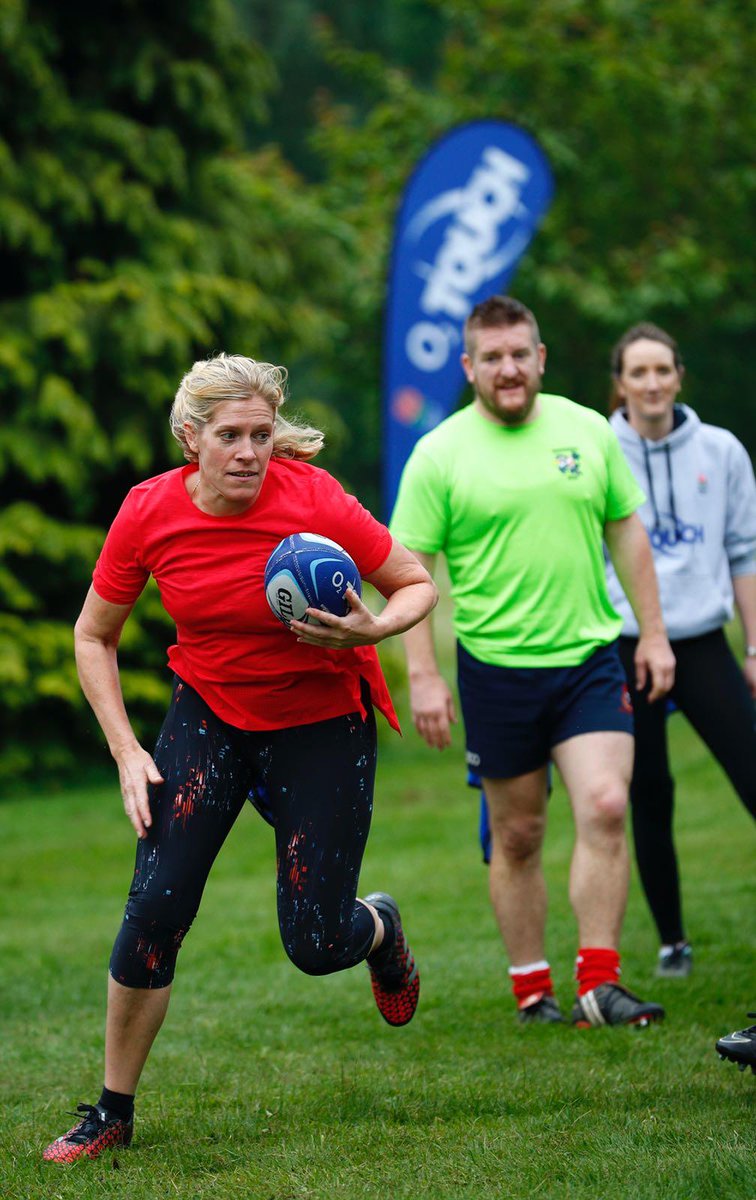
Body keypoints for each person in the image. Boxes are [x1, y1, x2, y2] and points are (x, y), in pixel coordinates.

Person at [43, 354, 437, 1164]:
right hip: (210, 717)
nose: (250, 452)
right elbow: (93, 635)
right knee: (154, 909)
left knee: (315, 943)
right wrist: (125, 750)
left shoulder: (313, 498)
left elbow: (413, 582)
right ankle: (113, 1111)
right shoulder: (148, 511)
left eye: (262, 434)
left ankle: (380, 928)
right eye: (230, 436)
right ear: (192, 437)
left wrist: (374, 630)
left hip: (321, 721)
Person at [390, 295, 675, 1028]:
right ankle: (532, 988)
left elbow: (628, 535)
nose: (508, 369)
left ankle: (599, 983)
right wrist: (424, 673)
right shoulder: (439, 454)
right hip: (496, 670)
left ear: (540, 357)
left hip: (588, 658)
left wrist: (652, 634)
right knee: (518, 835)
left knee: (607, 805)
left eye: (520, 354)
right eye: (492, 358)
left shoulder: (587, 429)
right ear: (469, 367)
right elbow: (407, 571)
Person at [606, 323, 756, 977]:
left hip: (699, 641)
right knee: (649, 791)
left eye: (662, 369)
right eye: (638, 372)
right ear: (621, 383)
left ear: (679, 375)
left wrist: (755, 647)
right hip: (624, 644)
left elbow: (744, 553)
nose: (652, 383)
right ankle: (672, 940)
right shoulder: (595, 448)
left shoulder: (721, 451)